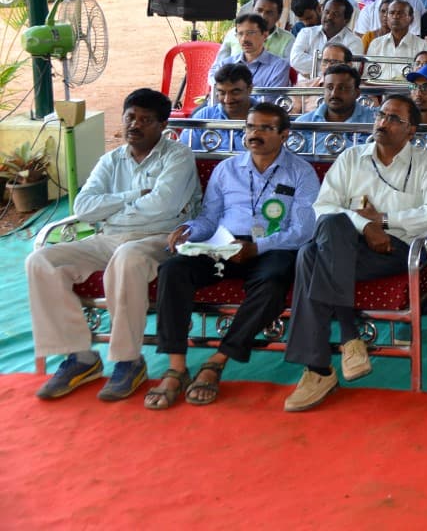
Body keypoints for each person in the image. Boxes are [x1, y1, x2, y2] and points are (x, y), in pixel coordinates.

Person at [29, 89, 200, 402]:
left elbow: (162, 207)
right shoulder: (111, 160)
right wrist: (131, 197)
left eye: (146, 120)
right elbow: (84, 207)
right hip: (108, 236)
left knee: (127, 256)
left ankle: (128, 360)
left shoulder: (178, 156)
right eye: (130, 117)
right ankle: (80, 357)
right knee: (41, 261)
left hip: (159, 238)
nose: (135, 124)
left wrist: (111, 208)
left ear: (163, 125)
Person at [282, 96, 427, 412]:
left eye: (394, 119)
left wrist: (384, 221)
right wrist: (364, 226)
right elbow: (323, 206)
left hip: (396, 249)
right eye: (381, 115)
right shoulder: (351, 157)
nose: (383, 122)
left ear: (411, 130)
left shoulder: (424, 163)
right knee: (326, 232)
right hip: (347, 244)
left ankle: (320, 366)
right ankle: (346, 342)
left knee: (308, 256)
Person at [146, 103, 320, 409]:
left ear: (284, 135)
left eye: (266, 128)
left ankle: (217, 361)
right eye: (251, 127)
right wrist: (189, 229)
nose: (256, 134)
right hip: (223, 245)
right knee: (173, 270)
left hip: (273, 249)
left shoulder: (301, 172)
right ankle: (176, 367)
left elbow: (304, 230)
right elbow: (210, 218)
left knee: (272, 284)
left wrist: (258, 247)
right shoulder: (227, 169)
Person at [295, 63, 377, 152]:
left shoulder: (375, 121)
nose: (334, 93)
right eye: (329, 87)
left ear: (357, 93)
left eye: (342, 88)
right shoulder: (303, 124)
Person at [207, 13, 290, 90]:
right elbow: (218, 95)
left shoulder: (279, 66)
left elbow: (271, 100)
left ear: (265, 35)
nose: (244, 39)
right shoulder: (225, 64)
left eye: (250, 33)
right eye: (240, 34)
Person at [183, 63, 253, 152]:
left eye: (235, 92)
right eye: (222, 93)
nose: (228, 100)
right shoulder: (205, 116)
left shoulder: (266, 118)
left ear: (249, 89)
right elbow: (182, 152)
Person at [365, 0, 427, 80]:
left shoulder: (422, 46)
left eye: (400, 13)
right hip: (380, 91)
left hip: (410, 91)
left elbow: (426, 78)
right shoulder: (376, 44)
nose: (395, 17)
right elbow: (368, 75)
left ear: (411, 18)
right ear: (387, 17)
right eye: (391, 13)